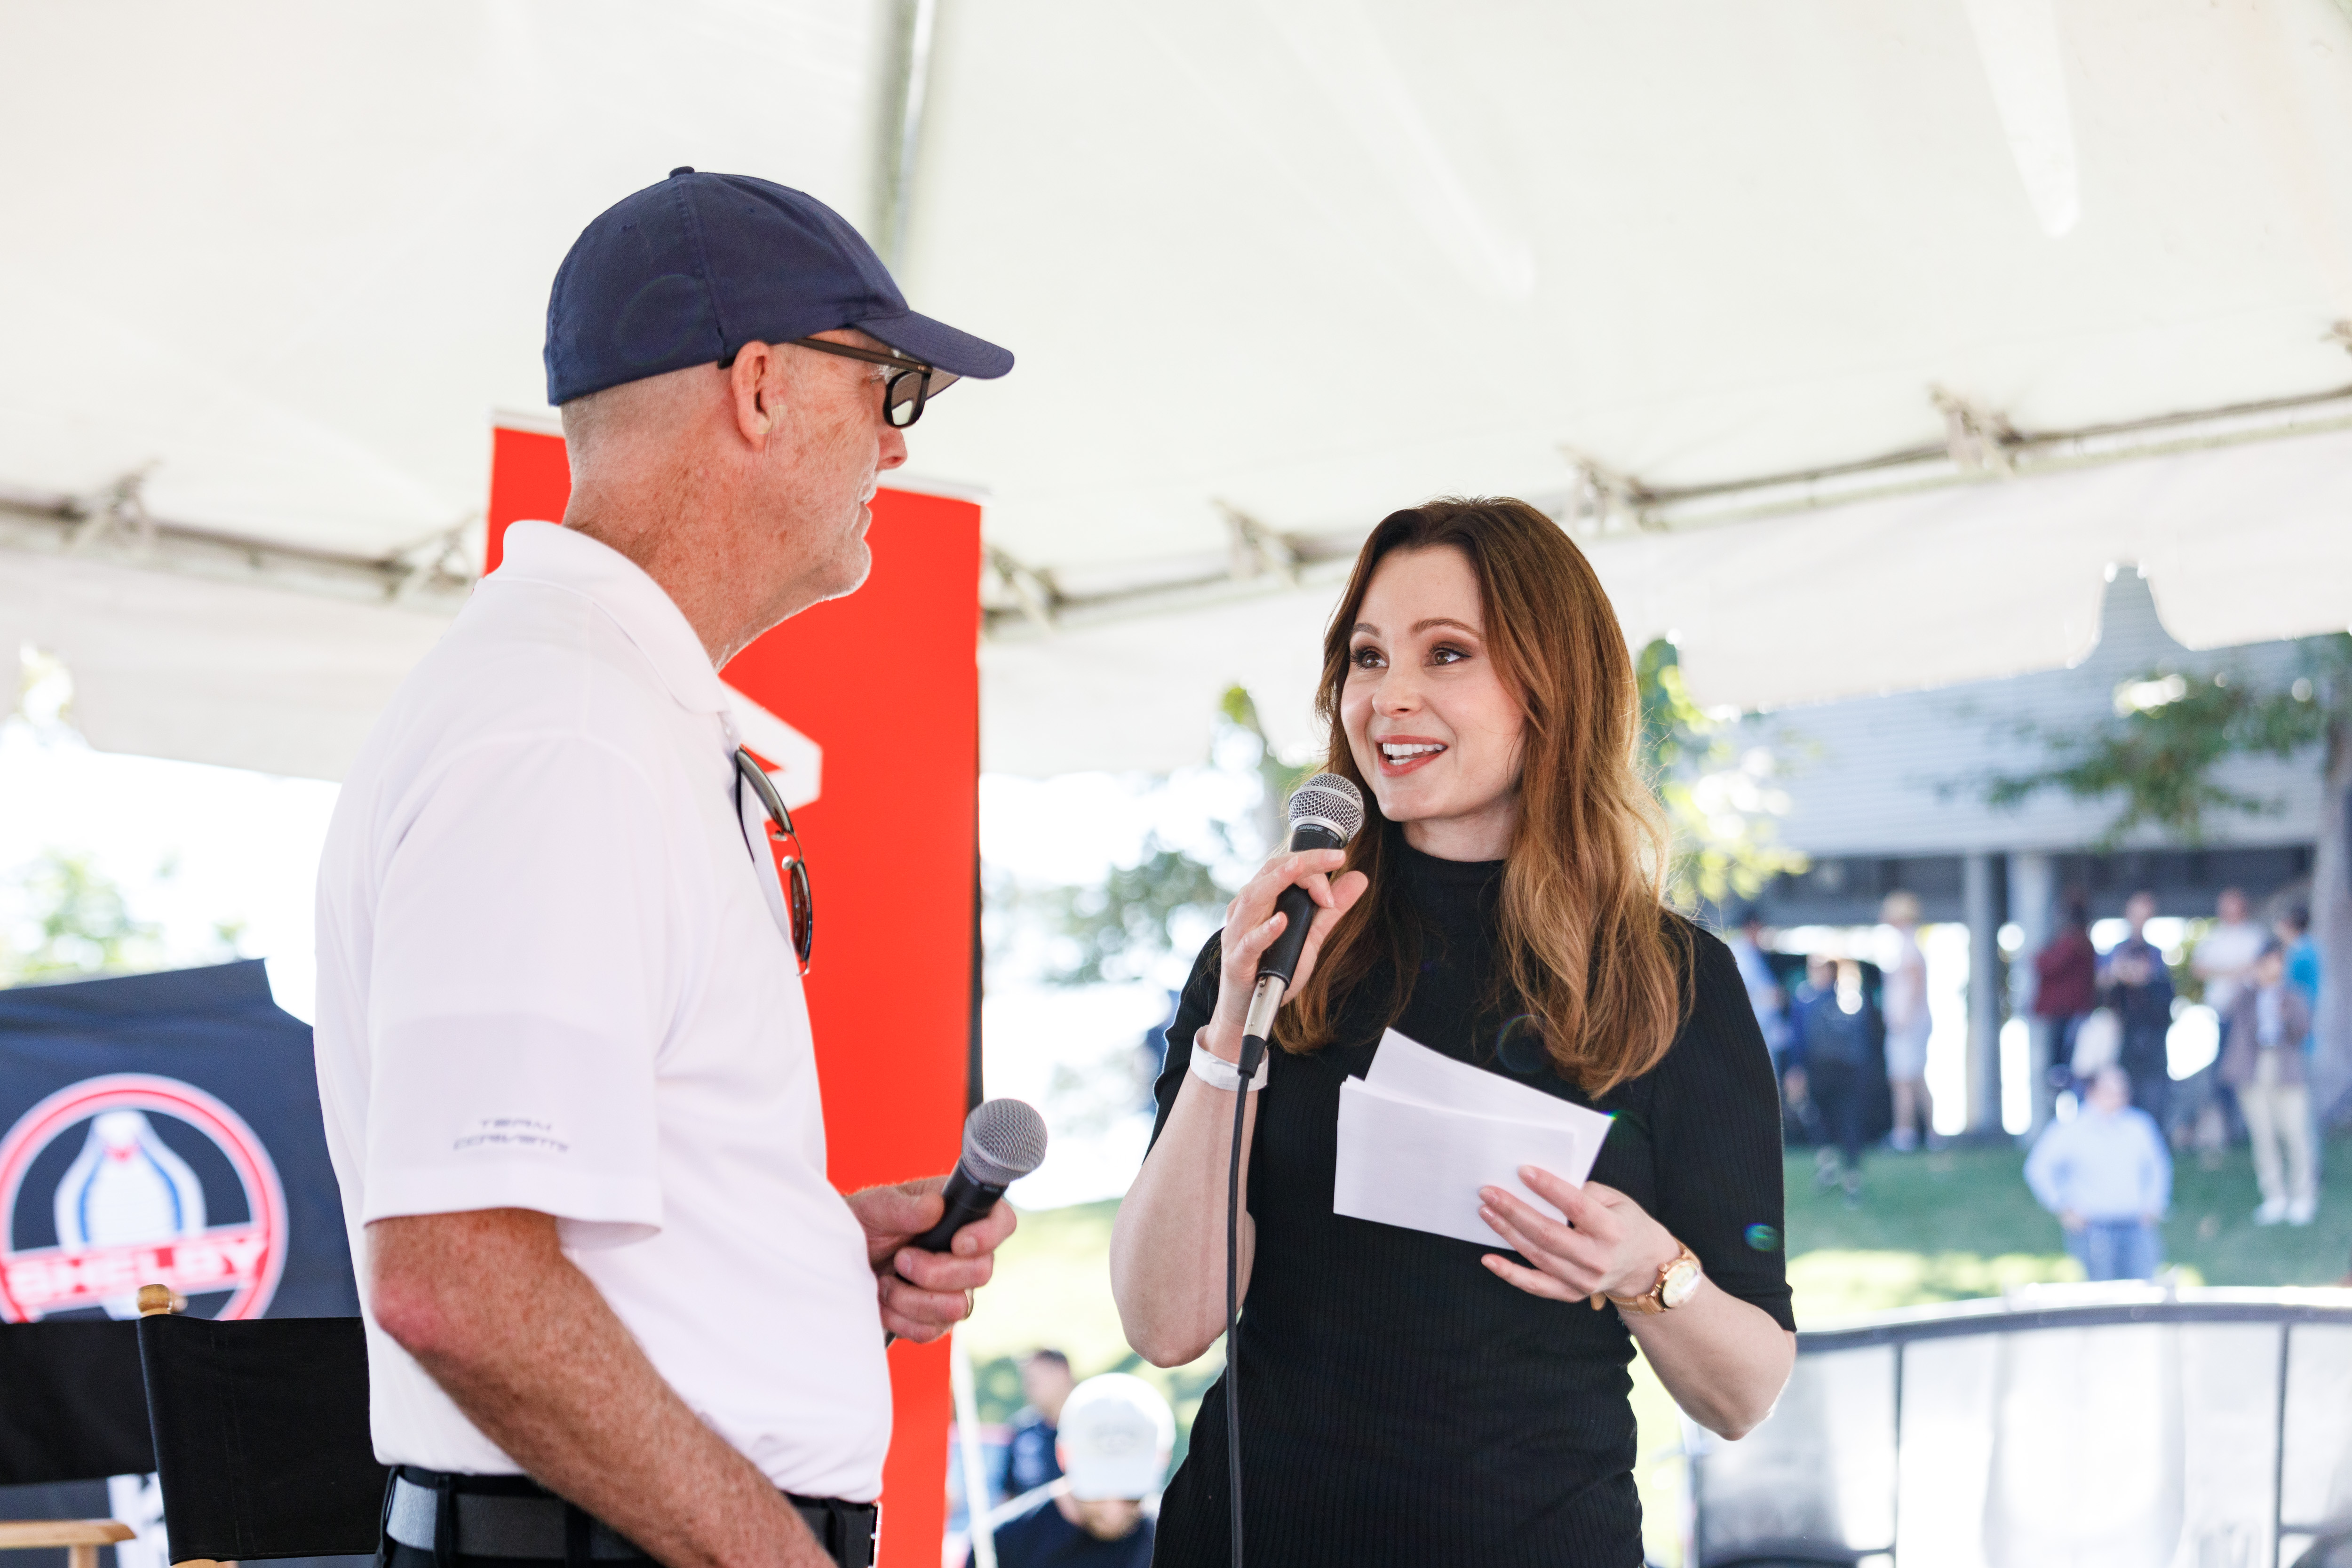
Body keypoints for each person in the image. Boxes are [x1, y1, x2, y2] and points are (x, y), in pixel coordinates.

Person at [313, 170, 1018, 1568]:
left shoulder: (594, 710)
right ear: (759, 387)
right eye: (888, 390)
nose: (894, 449)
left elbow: (528, 1243)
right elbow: (457, 1278)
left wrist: (795, 1266)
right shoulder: (564, 732)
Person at [1109, 499, 1796, 1567]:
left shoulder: (1669, 981)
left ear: (1551, 685)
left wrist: (1647, 1266)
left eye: (1448, 654)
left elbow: (1744, 1391)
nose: (1391, 697)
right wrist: (1227, 1039)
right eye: (1368, 656)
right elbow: (1164, 1324)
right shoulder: (1278, 943)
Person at [976, 1374, 1173, 1568]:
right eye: (1096, 1489)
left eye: (1132, 1492)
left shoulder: (1184, 1541)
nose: (1112, 1510)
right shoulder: (997, 1546)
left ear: (1165, 1459)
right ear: (1062, 1455)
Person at [2022, 1066, 2170, 1281]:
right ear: (2093, 1092)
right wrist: (2062, 1206)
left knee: (2145, 1293)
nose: (2118, 1097)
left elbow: (2159, 1167)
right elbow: (2038, 1168)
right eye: (2111, 1091)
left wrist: (2155, 1204)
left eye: (2122, 1091)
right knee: (2102, 1299)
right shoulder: (2071, 1129)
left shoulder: (2139, 1126)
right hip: (2093, 1230)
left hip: (2137, 1226)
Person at [2221, 943, 2319, 1226]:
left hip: (2286, 1067)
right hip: (2254, 1068)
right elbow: (2226, 1012)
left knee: (2295, 1134)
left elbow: (2303, 1030)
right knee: (2263, 1136)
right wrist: (2247, 983)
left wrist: (2285, 1015)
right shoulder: (2247, 996)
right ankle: (2275, 1197)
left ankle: (2304, 1198)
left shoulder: (2293, 995)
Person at [1791, 955, 1868, 1204]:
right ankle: (1844, 1176)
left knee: (1826, 1119)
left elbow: (1799, 1039)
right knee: (1840, 1120)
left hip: (1823, 1070)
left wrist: (1796, 1069)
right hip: (1844, 1071)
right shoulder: (1853, 999)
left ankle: (1840, 1173)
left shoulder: (1808, 1000)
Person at [2100, 891, 2176, 1131]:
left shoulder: (2157, 958)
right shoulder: (2115, 953)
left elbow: (2166, 1000)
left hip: (2153, 1042)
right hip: (2125, 1040)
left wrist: (2145, 981)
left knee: (2155, 1102)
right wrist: (2116, 977)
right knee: (2123, 1100)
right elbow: (2103, 991)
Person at [1880, 891, 1936, 1151]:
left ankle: (1906, 1133)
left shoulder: (1908, 945)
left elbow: (1915, 986)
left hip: (1909, 1024)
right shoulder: (1905, 943)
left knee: (1905, 1079)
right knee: (1912, 1078)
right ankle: (1921, 1132)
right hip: (1910, 1023)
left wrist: (1902, 1018)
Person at [2031, 899, 2098, 1108]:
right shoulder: (2079, 942)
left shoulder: (2075, 942)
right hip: (2067, 1014)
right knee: (2060, 1070)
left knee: (2067, 1070)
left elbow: (2044, 963)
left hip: (2070, 1014)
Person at [1728, 907, 1794, 1078]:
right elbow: (1736, 996)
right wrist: (1769, 997)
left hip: (1766, 1034)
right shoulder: (1739, 953)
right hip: (1749, 1036)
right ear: (1752, 927)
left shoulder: (1756, 954)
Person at [1002, 1349, 1075, 1498]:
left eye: (1034, 1382)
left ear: (1063, 1375)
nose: (1028, 1388)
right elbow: (1008, 1493)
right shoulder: (1023, 1430)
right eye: (1027, 1381)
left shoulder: (1091, 1425)